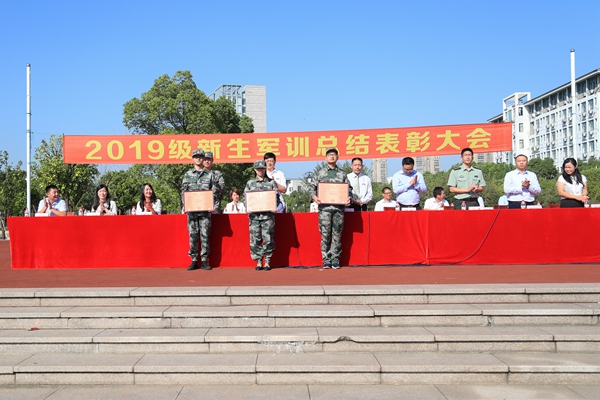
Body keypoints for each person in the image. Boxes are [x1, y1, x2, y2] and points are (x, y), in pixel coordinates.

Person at [309, 147, 353, 269]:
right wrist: (314, 197)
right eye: (329, 155)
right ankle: (326, 260)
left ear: (337, 157)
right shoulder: (320, 173)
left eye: (334, 155)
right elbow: (311, 188)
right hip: (324, 209)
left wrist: (349, 198)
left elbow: (349, 189)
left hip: (338, 209)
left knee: (337, 234)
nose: (332, 157)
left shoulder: (342, 173)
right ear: (325, 158)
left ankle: (335, 259)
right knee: (325, 234)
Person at [182, 149, 216, 271]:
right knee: (193, 235)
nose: (198, 159)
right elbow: (183, 192)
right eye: (196, 157)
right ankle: (194, 260)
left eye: (200, 157)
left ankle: (204, 260)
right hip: (192, 212)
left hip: (205, 211)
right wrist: (185, 205)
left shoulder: (209, 175)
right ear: (193, 159)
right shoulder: (187, 175)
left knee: (205, 235)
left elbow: (214, 191)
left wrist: (211, 203)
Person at [244, 160, 279, 271]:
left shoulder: (271, 183)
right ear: (255, 170)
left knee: (268, 238)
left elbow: (277, 197)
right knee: (255, 239)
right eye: (258, 169)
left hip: (267, 216)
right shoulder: (250, 183)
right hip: (254, 217)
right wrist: (248, 207)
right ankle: (259, 261)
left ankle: (267, 261)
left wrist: (274, 205)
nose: (260, 171)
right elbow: (246, 199)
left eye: (262, 169)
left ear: (265, 169)